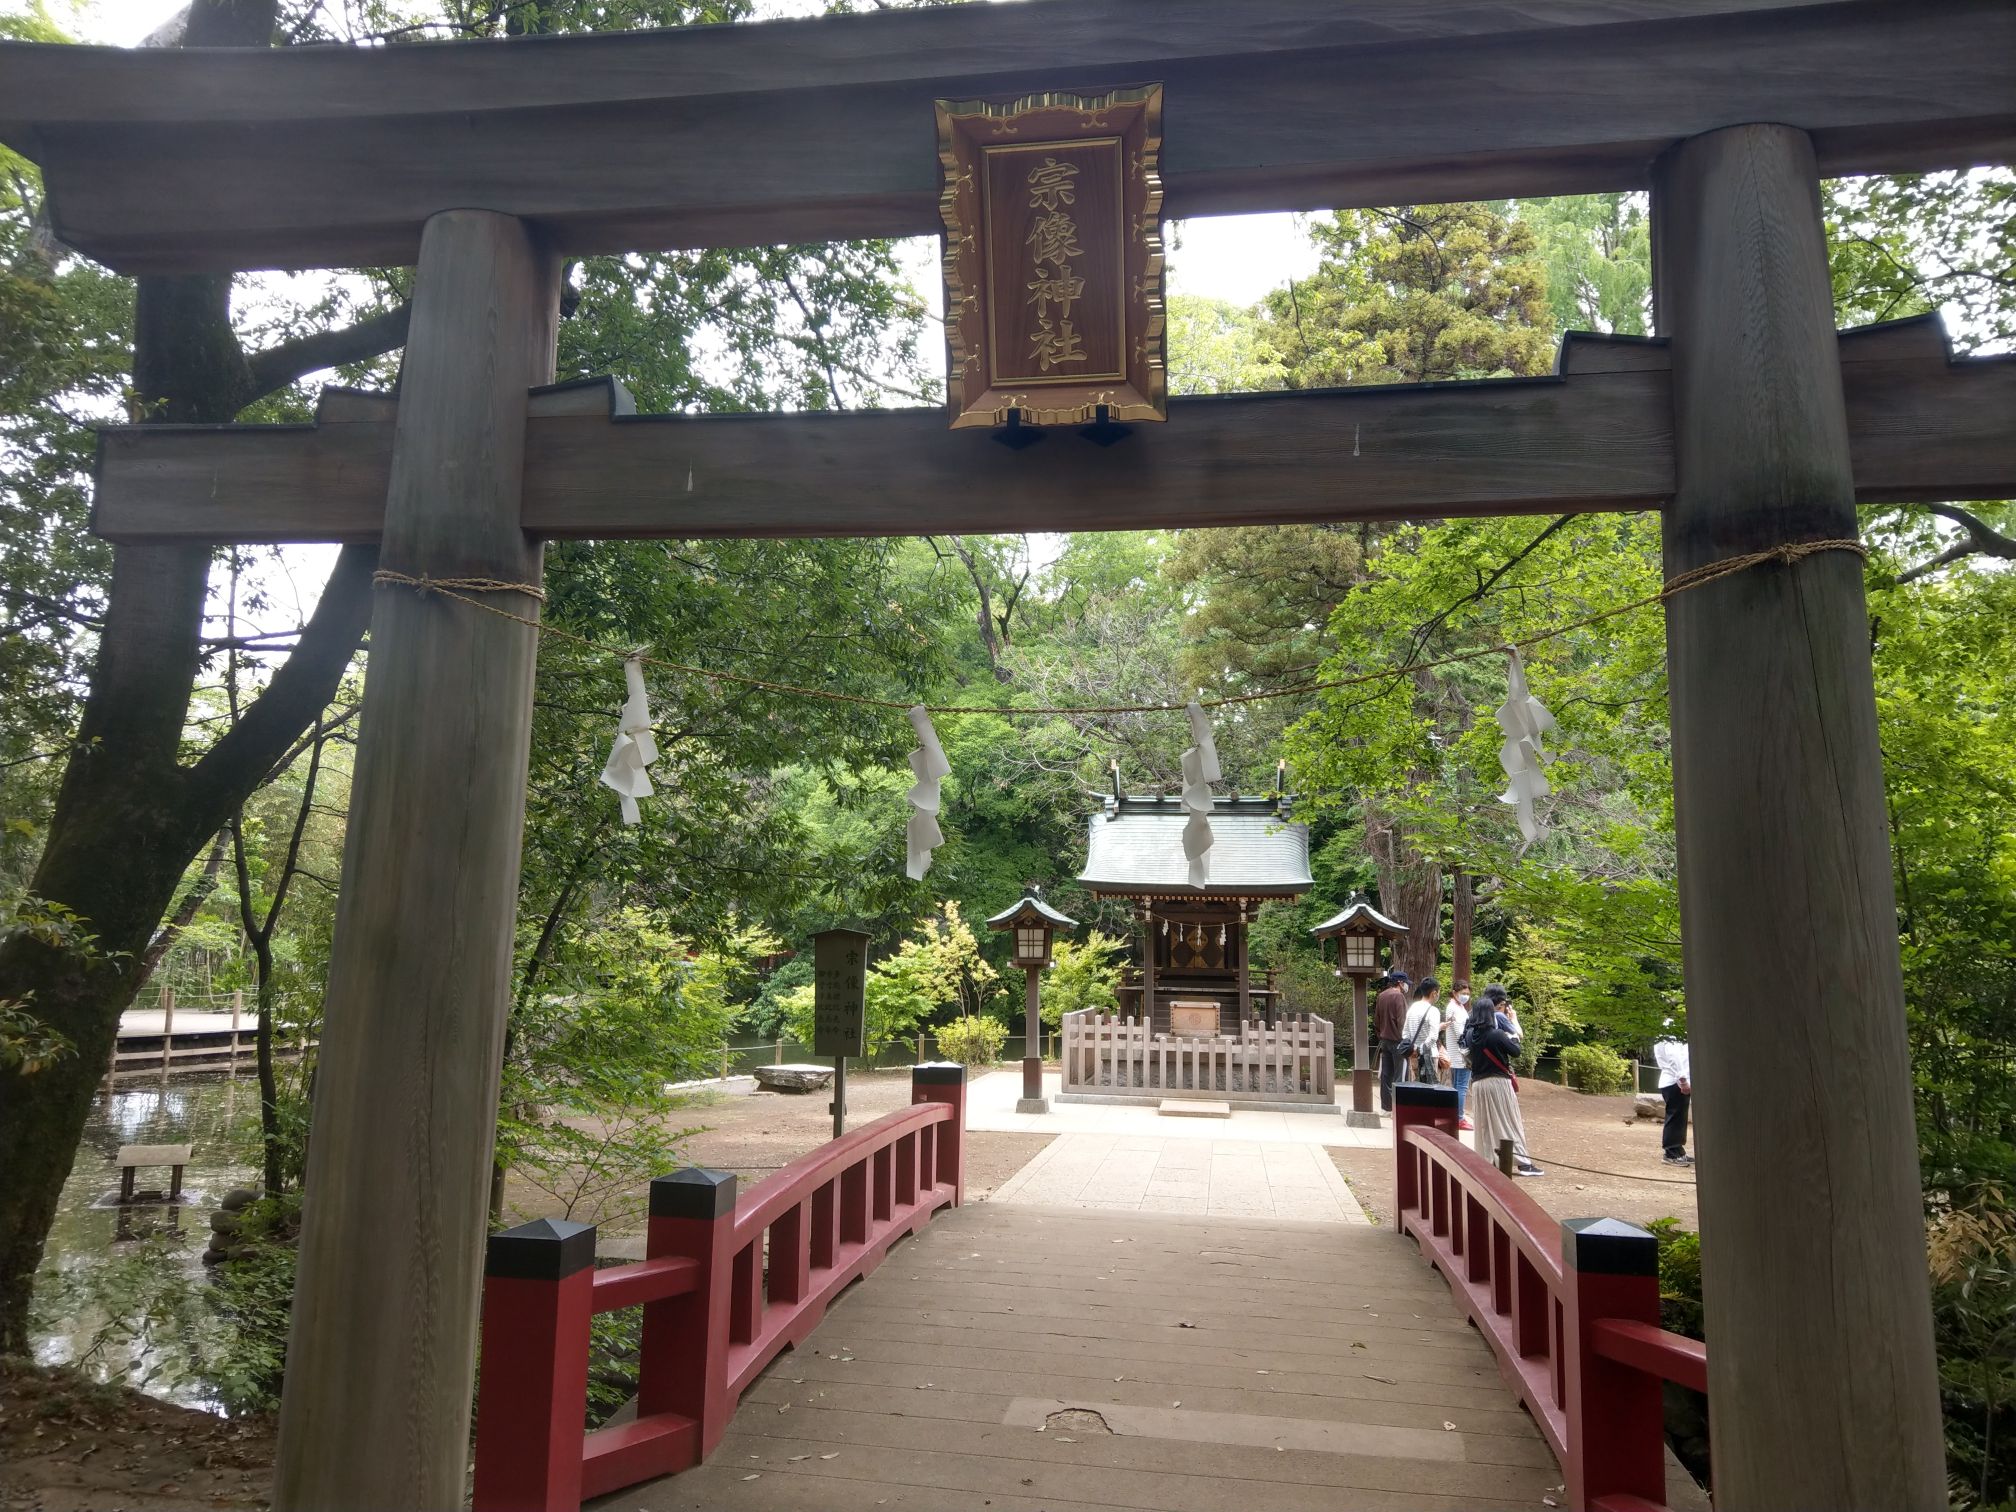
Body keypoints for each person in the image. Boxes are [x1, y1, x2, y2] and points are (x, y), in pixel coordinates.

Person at [1462, 985, 1543, 1177]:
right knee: (1509, 1121)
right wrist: (1513, 1027)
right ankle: (1523, 1163)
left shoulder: (1469, 1036)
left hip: (1478, 1084)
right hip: (1498, 1083)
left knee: (1484, 1125)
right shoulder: (1496, 1034)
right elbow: (1516, 1050)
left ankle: (1487, 1160)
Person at [1653, 1026, 1693, 1166]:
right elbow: (1674, 1057)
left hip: (1675, 1080)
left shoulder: (1671, 1028)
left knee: (1680, 1117)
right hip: (1674, 1081)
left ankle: (1678, 1151)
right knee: (1675, 1116)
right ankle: (1671, 1153)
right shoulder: (1670, 1028)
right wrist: (1682, 1080)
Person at [1373, 971, 1411, 1113]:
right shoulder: (1399, 996)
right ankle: (1398, 1109)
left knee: (1386, 1075)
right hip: (1398, 1041)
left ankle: (1386, 1107)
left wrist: (1381, 1035)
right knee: (1399, 1076)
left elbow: (1376, 1020)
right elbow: (1402, 1021)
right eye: (1405, 983)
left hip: (1384, 1040)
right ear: (1400, 983)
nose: (1406, 986)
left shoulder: (1381, 996)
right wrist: (1405, 1040)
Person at [1442, 981, 1474, 1130]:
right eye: (1463, 993)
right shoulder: (1453, 1008)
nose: (1465, 996)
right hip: (1460, 1054)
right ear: (1454, 993)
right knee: (1461, 1086)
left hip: (1458, 1053)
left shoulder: (1459, 1007)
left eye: (1467, 993)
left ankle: (1455, 1115)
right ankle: (1459, 1118)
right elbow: (1459, 1032)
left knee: (1457, 1086)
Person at [1402, 976, 1442, 1085]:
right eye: (1438, 992)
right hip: (1430, 1056)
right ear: (1434, 993)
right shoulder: (1433, 1011)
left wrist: (1414, 1049)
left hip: (1414, 1055)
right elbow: (1433, 1036)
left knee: (1416, 1086)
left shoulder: (1413, 1007)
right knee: (1431, 1088)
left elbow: (1405, 1033)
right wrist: (1421, 1049)